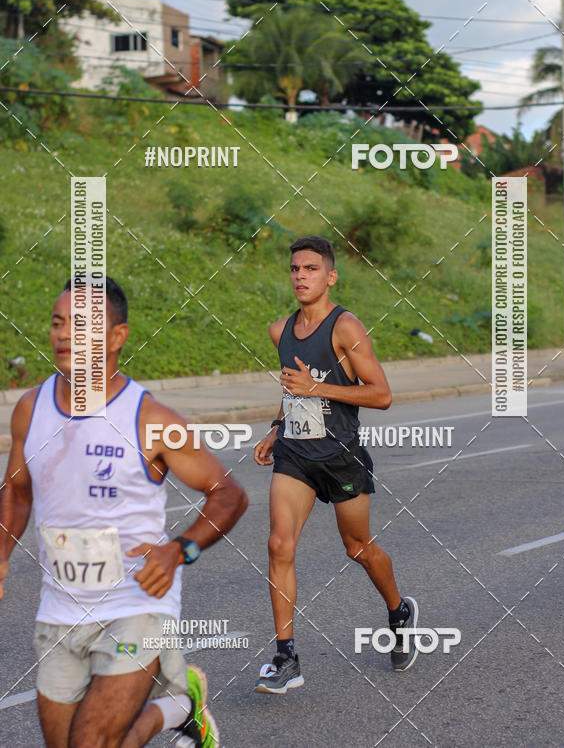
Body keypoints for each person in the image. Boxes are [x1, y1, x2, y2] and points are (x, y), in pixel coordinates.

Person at [0, 277, 248, 746]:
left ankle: (171, 709)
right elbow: (15, 491)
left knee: (91, 744)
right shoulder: (31, 410)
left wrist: (180, 550)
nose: (64, 334)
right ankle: (177, 708)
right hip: (59, 608)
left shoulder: (150, 420)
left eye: (82, 324)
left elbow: (228, 493)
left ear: (117, 337)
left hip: (137, 604)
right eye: (58, 323)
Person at [253, 237, 418, 693]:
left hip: (341, 457)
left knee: (358, 548)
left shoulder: (347, 328)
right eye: (294, 268)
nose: (300, 276)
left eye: (310, 268)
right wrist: (275, 427)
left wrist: (317, 390)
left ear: (330, 277)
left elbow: (381, 394)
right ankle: (286, 657)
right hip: (296, 456)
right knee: (278, 545)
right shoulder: (280, 331)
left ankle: (399, 611)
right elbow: (293, 388)